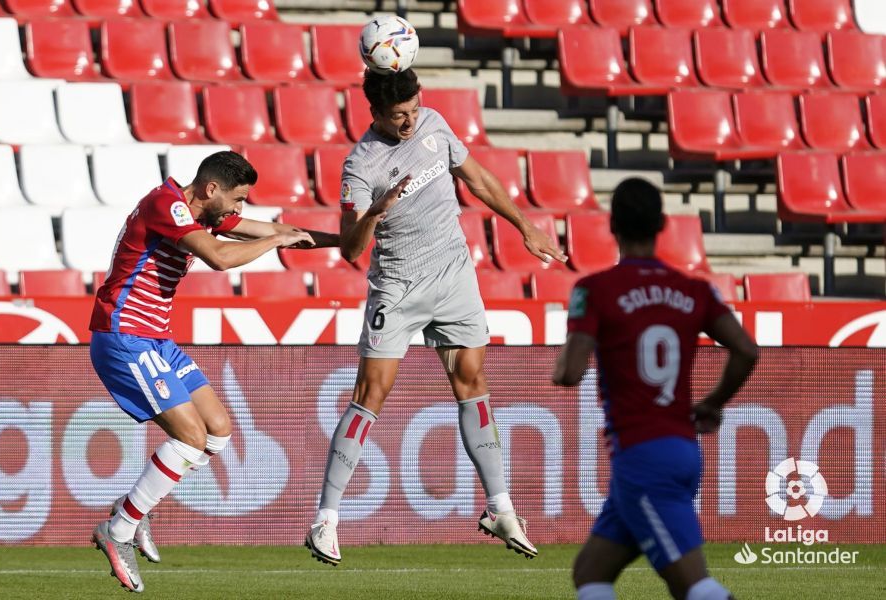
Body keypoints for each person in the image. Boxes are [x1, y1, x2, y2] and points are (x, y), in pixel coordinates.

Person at [304, 68, 567, 566]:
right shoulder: (361, 165)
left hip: (453, 276)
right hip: (398, 287)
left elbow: (480, 180)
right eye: (399, 115)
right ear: (376, 113)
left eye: (414, 109)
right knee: (370, 394)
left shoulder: (435, 125)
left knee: (472, 379)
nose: (409, 121)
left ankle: (501, 507)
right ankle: (326, 519)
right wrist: (375, 211)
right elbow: (351, 250)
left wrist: (524, 226)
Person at [89, 151, 338, 593]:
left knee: (218, 431)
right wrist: (275, 244)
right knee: (190, 437)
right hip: (124, 334)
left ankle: (133, 510)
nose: (240, 210)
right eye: (237, 199)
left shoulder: (202, 213)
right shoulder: (166, 205)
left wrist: (346, 239)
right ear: (211, 189)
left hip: (157, 340)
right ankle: (120, 529)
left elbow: (279, 230)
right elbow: (221, 259)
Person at [552, 178, 758, 600]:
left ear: (612, 227)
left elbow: (570, 373)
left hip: (641, 456)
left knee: (693, 586)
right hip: (681, 448)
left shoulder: (595, 290)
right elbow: (746, 350)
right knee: (590, 572)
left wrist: (564, 361)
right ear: (663, 224)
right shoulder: (694, 290)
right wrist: (714, 403)